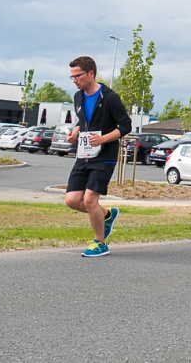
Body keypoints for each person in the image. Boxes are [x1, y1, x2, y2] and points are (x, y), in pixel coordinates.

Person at [64, 56, 133, 257]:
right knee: (71, 199)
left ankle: (100, 243)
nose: (75, 80)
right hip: (84, 154)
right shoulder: (78, 97)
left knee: (89, 201)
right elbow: (83, 120)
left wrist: (103, 139)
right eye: (72, 77)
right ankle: (106, 215)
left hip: (104, 155)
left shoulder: (110, 98)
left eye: (77, 76)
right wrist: (76, 131)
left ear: (91, 73)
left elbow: (125, 125)